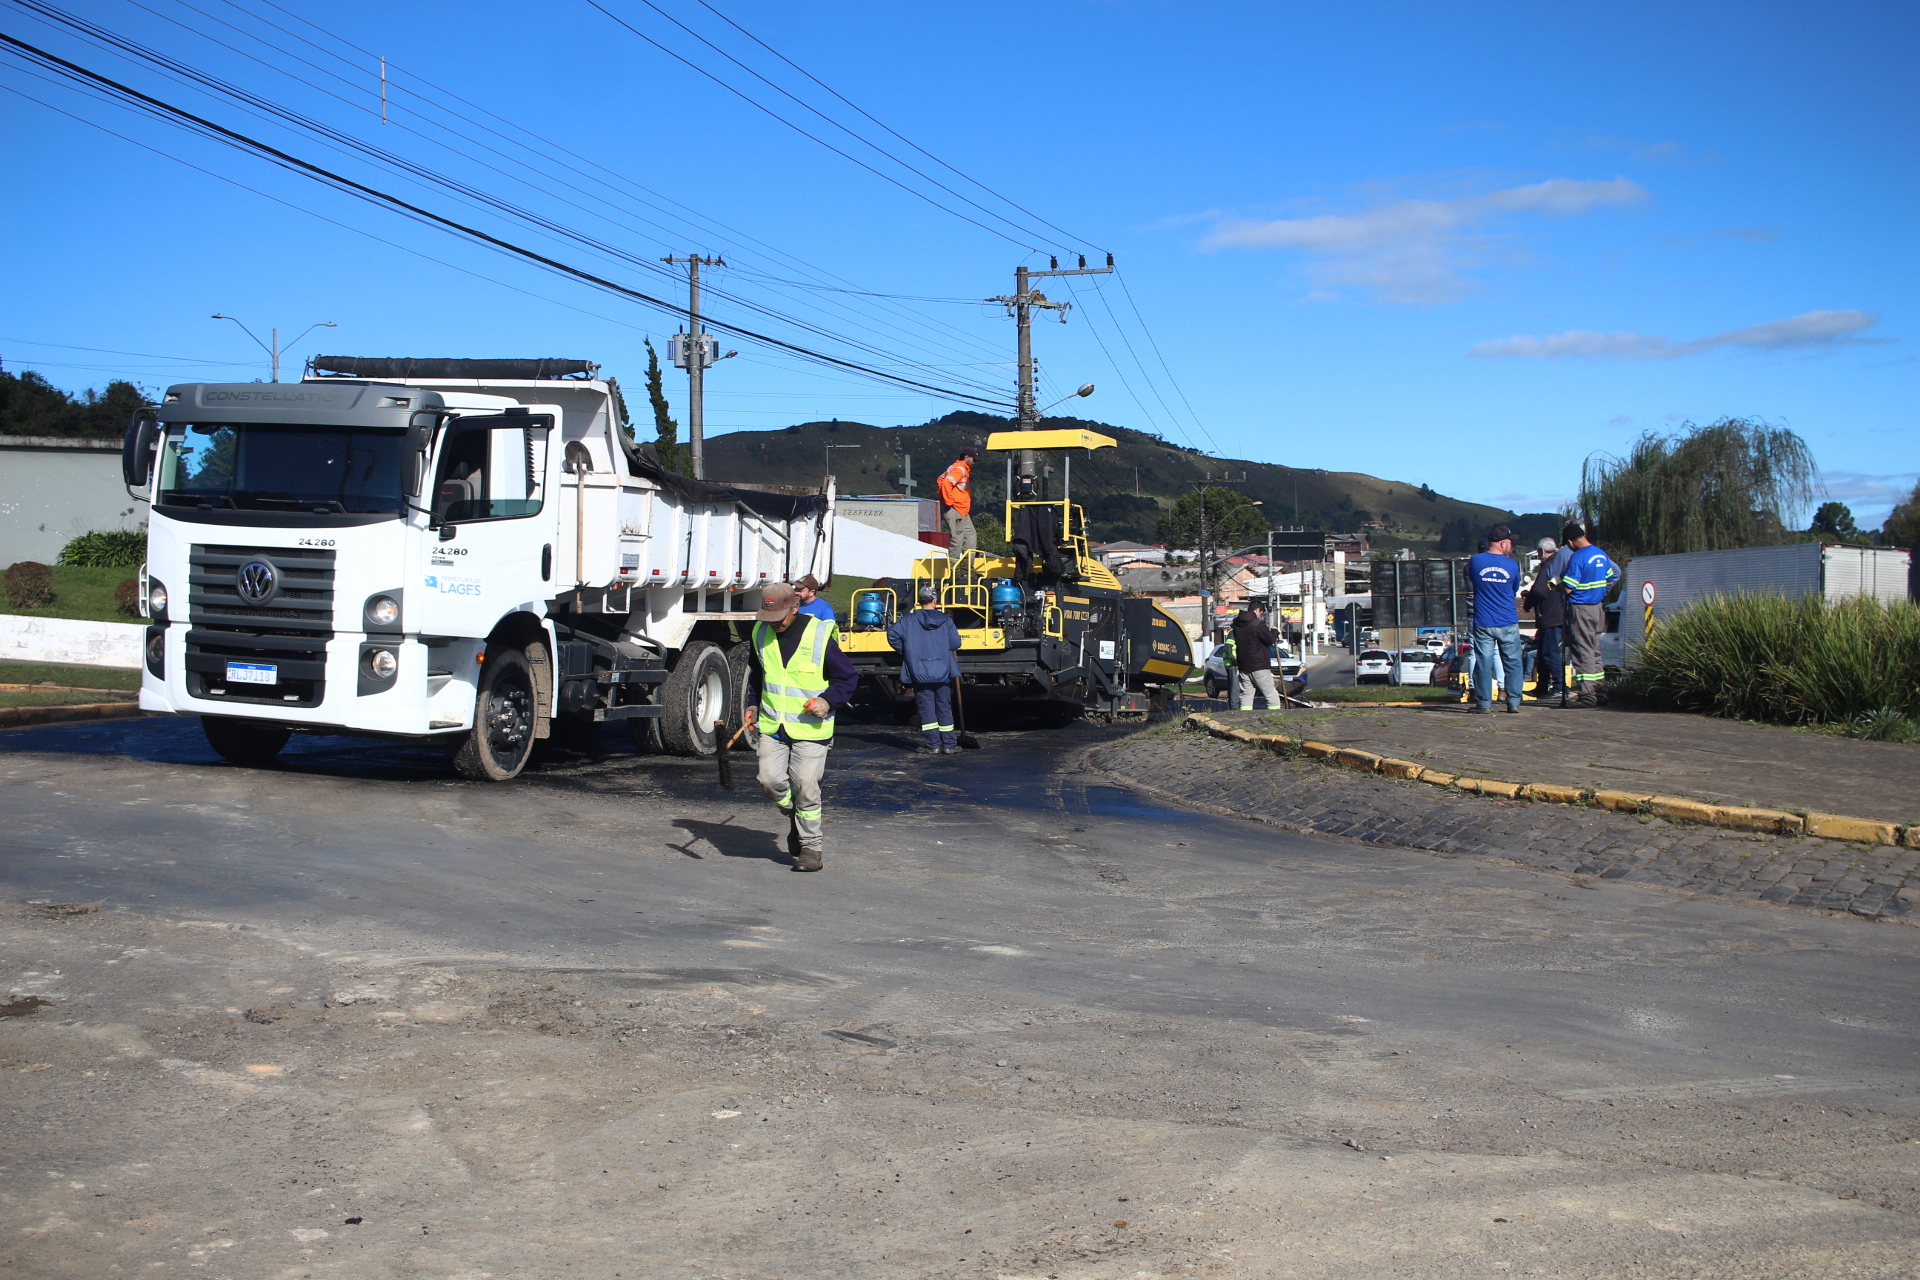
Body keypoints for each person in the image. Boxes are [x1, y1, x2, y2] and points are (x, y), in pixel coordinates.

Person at [741, 582, 859, 872]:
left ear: (795, 607)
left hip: (810, 728)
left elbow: (848, 678)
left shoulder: (818, 635)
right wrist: (752, 704)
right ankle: (795, 814)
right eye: (768, 617)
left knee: (806, 786)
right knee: (769, 782)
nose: (774, 624)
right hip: (772, 724)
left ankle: (811, 849)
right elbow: (759, 674)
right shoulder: (760, 632)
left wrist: (827, 701)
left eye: (779, 617)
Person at [887, 584, 964, 753]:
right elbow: (956, 643)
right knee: (944, 706)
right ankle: (950, 745)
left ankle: (933, 745)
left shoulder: (908, 621)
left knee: (926, 707)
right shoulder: (946, 620)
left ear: (919, 601)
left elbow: (892, 634)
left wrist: (905, 650)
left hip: (919, 670)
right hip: (942, 669)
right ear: (935, 600)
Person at [1558, 520, 1621, 709]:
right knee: (1594, 651)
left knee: (1582, 651)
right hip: (1598, 607)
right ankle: (1600, 691)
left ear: (1570, 542)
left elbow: (1569, 588)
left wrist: (1555, 587)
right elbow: (1610, 578)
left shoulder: (1578, 557)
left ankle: (1587, 696)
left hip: (1582, 608)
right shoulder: (1600, 554)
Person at [1468, 524, 1525, 714]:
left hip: (1483, 620)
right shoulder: (1512, 565)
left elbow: (1470, 578)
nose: (1511, 546)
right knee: (1512, 661)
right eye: (1510, 542)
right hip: (1507, 620)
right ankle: (1514, 701)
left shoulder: (1475, 561)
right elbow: (1514, 588)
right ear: (1502, 543)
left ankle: (1484, 703)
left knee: (1484, 662)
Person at [1523, 537, 1568, 705]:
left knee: (1549, 653)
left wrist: (1528, 602)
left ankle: (1559, 687)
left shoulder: (1548, 566)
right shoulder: (1560, 564)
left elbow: (1541, 591)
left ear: (1542, 551)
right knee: (1542, 654)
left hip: (1550, 617)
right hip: (1556, 614)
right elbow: (1550, 588)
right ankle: (1542, 687)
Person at [1231, 601, 1282, 711]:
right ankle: (1276, 717)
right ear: (1258, 610)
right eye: (1261, 613)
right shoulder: (1257, 624)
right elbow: (1269, 640)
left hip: (1244, 666)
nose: (1261, 616)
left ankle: (1245, 718)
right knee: (1270, 694)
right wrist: (1274, 631)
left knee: (1246, 694)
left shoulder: (1237, 625)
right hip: (1259, 665)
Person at [937, 445, 980, 554]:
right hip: (955, 510)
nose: (975, 462)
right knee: (957, 540)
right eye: (973, 459)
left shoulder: (958, 468)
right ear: (966, 457)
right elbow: (946, 483)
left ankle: (967, 569)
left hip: (962, 511)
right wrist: (949, 502)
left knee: (970, 537)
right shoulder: (960, 469)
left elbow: (940, 479)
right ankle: (953, 569)